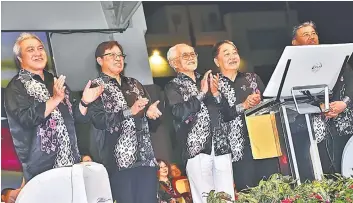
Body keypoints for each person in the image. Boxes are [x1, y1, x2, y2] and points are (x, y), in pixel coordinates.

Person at [4, 33, 104, 185]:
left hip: (71, 166)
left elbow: (76, 119)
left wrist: (84, 102)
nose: (38, 53)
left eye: (40, 48)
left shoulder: (55, 81)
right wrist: (55, 99)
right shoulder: (16, 87)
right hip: (42, 173)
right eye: (30, 50)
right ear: (19, 58)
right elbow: (26, 119)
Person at [88, 40, 162, 203]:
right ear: (100, 60)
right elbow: (98, 120)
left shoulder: (134, 84)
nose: (117, 58)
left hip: (146, 159)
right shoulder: (95, 87)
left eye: (120, 55)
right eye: (111, 55)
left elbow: (151, 121)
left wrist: (151, 114)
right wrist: (130, 111)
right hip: (118, 163)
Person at [164, 43, 235, 203]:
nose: (191, 58)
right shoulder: (172, 87)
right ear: (174, 63)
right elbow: (179, 113)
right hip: (197, 151)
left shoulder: (209, 79)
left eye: (192, 54)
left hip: (221, 146)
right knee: (205, 199)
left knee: (228, 198)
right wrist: (202, 93)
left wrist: (216, 94)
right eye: (185, 55)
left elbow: (228, 113)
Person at [212, 40, 280, 191]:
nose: (232, 56)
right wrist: (243, 105)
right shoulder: (214, 84)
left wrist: (259, 102)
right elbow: (220, 115)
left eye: (234, 52)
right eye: (226, 53)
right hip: (237, 148)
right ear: (217, 61)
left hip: (262, 141)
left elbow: (270, 105)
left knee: (272, 188)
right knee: (247, 191)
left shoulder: (252, 78)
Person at [291, 21, 353, 175]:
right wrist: (321, 106)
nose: (311, 37)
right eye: (305, 35)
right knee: (327, 176)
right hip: (316, 132)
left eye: (313, 33)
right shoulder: (294, 68)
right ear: (295, 43)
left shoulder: (337, 58)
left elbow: (352, 82)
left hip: (345, 126)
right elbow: (296, 95)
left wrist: (344, 103)